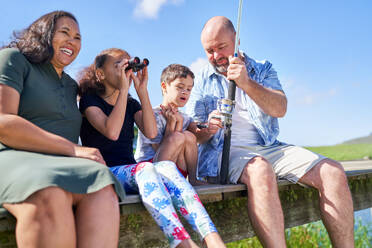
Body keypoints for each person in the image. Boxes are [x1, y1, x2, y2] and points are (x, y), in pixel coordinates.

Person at [185, 16, 354, 248]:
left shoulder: (262, 68)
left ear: (237, 40)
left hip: (269, 147)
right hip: (224, 154)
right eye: (209, 50)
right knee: (260, 169)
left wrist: (246, 83)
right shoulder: (201, 78)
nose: (215, 56)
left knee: (333, 172)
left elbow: (280, 108)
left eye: (221, 47)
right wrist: (207, 130)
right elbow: (192, 134)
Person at [0, 11, 125, 248]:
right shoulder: (13, 59)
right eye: (64, 32)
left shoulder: (71, 86)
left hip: (61, 162)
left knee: (101, 183)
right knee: (50, 189)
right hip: (10, 155)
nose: (72, 41)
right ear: (44, 34)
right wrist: (72, 149)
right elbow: (3, 122)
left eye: (78, 37)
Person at [78, 48, 226, 248]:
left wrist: (142, 91)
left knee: (167, 167)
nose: (125, 70)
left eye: (127, 65)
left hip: (132, 173)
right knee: (147, 168)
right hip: (105, 172)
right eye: (118, 65)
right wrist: (123, 90)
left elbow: (150, 131)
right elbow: (111, 131)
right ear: (100, 74)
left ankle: (213, 239)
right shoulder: (90, 100)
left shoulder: (130, 103)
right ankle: (184, 244)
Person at [135, 63, 208, 186]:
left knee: (190, 137)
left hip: (175, 169)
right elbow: (160, 149)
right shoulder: (152, 115)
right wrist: (172, 123)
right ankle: (162, 183)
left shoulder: (185, 118)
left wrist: (207, 127)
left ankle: (193, 179)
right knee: (179, 137)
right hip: (152, 169)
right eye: (180, 87)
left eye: (189, 89)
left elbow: (186, 143)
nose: (185, 92)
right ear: (164, 87)